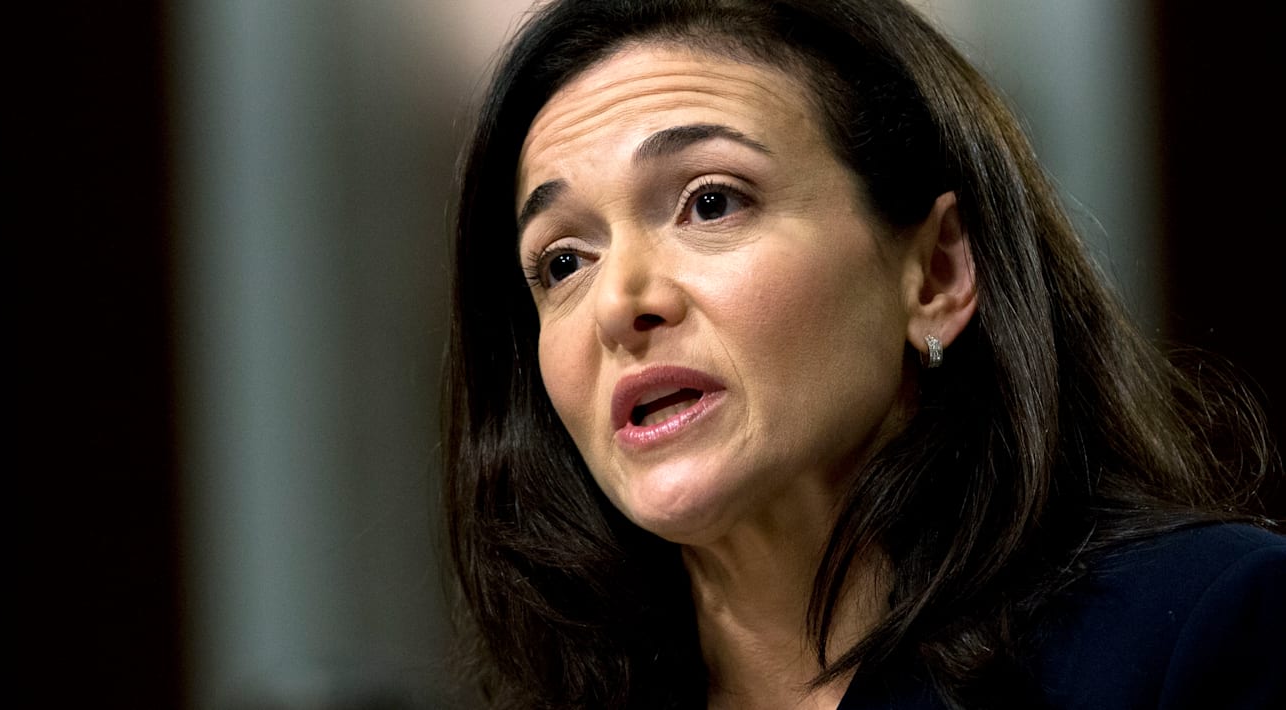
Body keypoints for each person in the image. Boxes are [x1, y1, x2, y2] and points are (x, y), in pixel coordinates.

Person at [442, 1, 1285, 707]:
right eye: (564, 262)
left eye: (711, 202)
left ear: (937, 273)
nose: (620, 304)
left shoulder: (1202, 631)